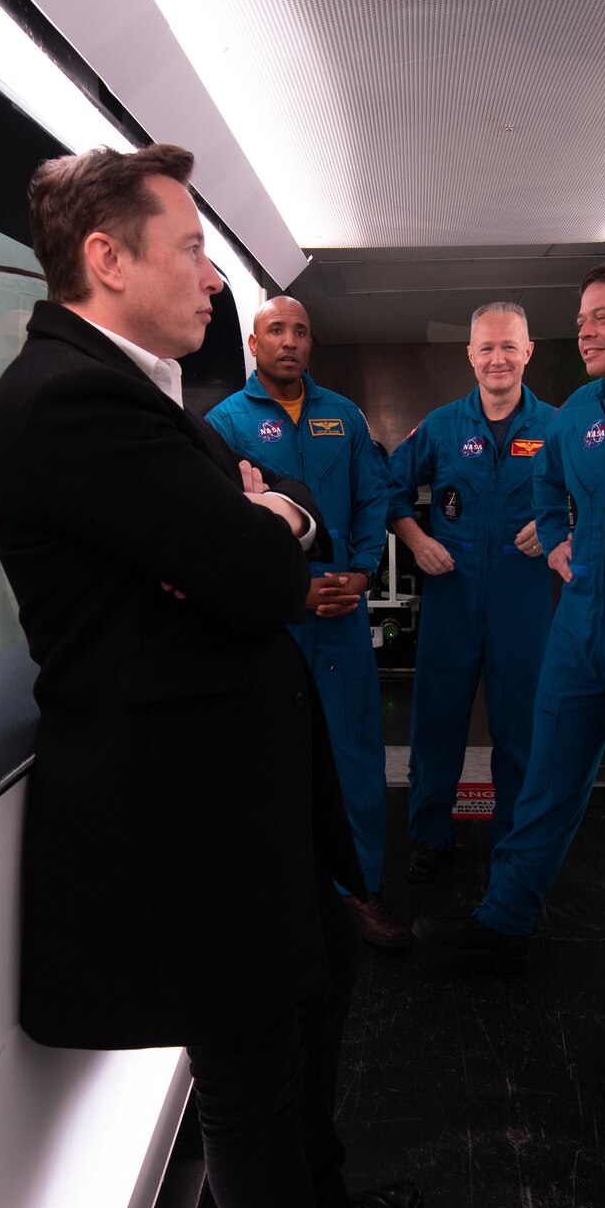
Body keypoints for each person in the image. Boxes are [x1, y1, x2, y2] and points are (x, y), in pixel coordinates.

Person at [0, 143, 419, 1208]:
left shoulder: (135, 399)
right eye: (190, 250)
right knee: (249, 1071)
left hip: (245, 788)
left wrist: (260, 517)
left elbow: (271, 537)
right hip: (187, 807)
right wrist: (256, 527)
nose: (214, 281)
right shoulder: (70, 399)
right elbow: (260, 574)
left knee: (318, 996)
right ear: (105, 257)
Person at [414, 258, 605, 1021]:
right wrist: (554, 537)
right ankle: (504, 921)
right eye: (580, 319)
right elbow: (551, 488)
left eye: (602, 317)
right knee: (543, 778)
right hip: (578, 628)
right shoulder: (579, 410)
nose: (584, 331)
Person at [207, 297, 402, 947]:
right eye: (277, 331)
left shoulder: (342, 417)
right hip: (273, 623)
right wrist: (296, 593)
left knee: (354, 755)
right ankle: (284, 899)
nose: (289, 341)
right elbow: (225, 535)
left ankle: (358, 893)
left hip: (343, 613)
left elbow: (374, 496)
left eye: (301, 332)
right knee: (270, 760)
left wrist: (365, 569)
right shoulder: (224, 424)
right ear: (254, 342)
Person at [385, 302, 555, 880]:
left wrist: (563, 524)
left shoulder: (558, 429)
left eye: (509, 346)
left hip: (525, 599)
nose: (498, 358)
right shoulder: (440, 427)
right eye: (486, 347)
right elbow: (389, 491)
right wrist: (414, 539)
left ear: (528, 351)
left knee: (522, 732)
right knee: (436, 724)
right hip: (452, 595)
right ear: (470, 355)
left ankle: (516, 844)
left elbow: (596, 498)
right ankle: (431, 835)